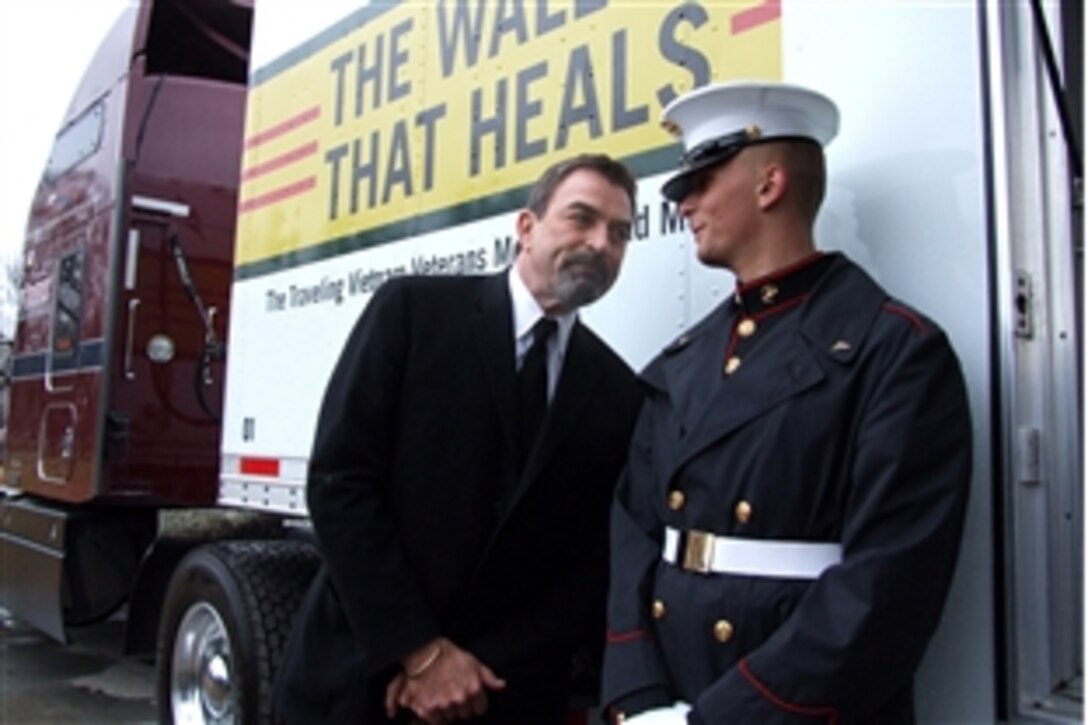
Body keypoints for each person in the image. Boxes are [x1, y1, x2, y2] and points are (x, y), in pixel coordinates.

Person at [601, 82, 972, 724]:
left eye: (703, 180)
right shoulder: (682, 359)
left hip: (786, 703)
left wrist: (722, 719)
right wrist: (638, 697)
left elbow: (889, 586)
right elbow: (634, 529)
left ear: (769, 185)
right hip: (668, 692)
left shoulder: (894, 352)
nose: (683, 202)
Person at [275, 153, 644, 724]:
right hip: (364, 680)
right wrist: (420, 654)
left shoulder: (618, 391)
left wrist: (474, 672)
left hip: (497, 694)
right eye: (582, 218)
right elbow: (339, 483)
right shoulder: (413, 313)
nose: (601, 243)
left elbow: (589, 561)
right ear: (526, 227)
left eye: (620, 233)